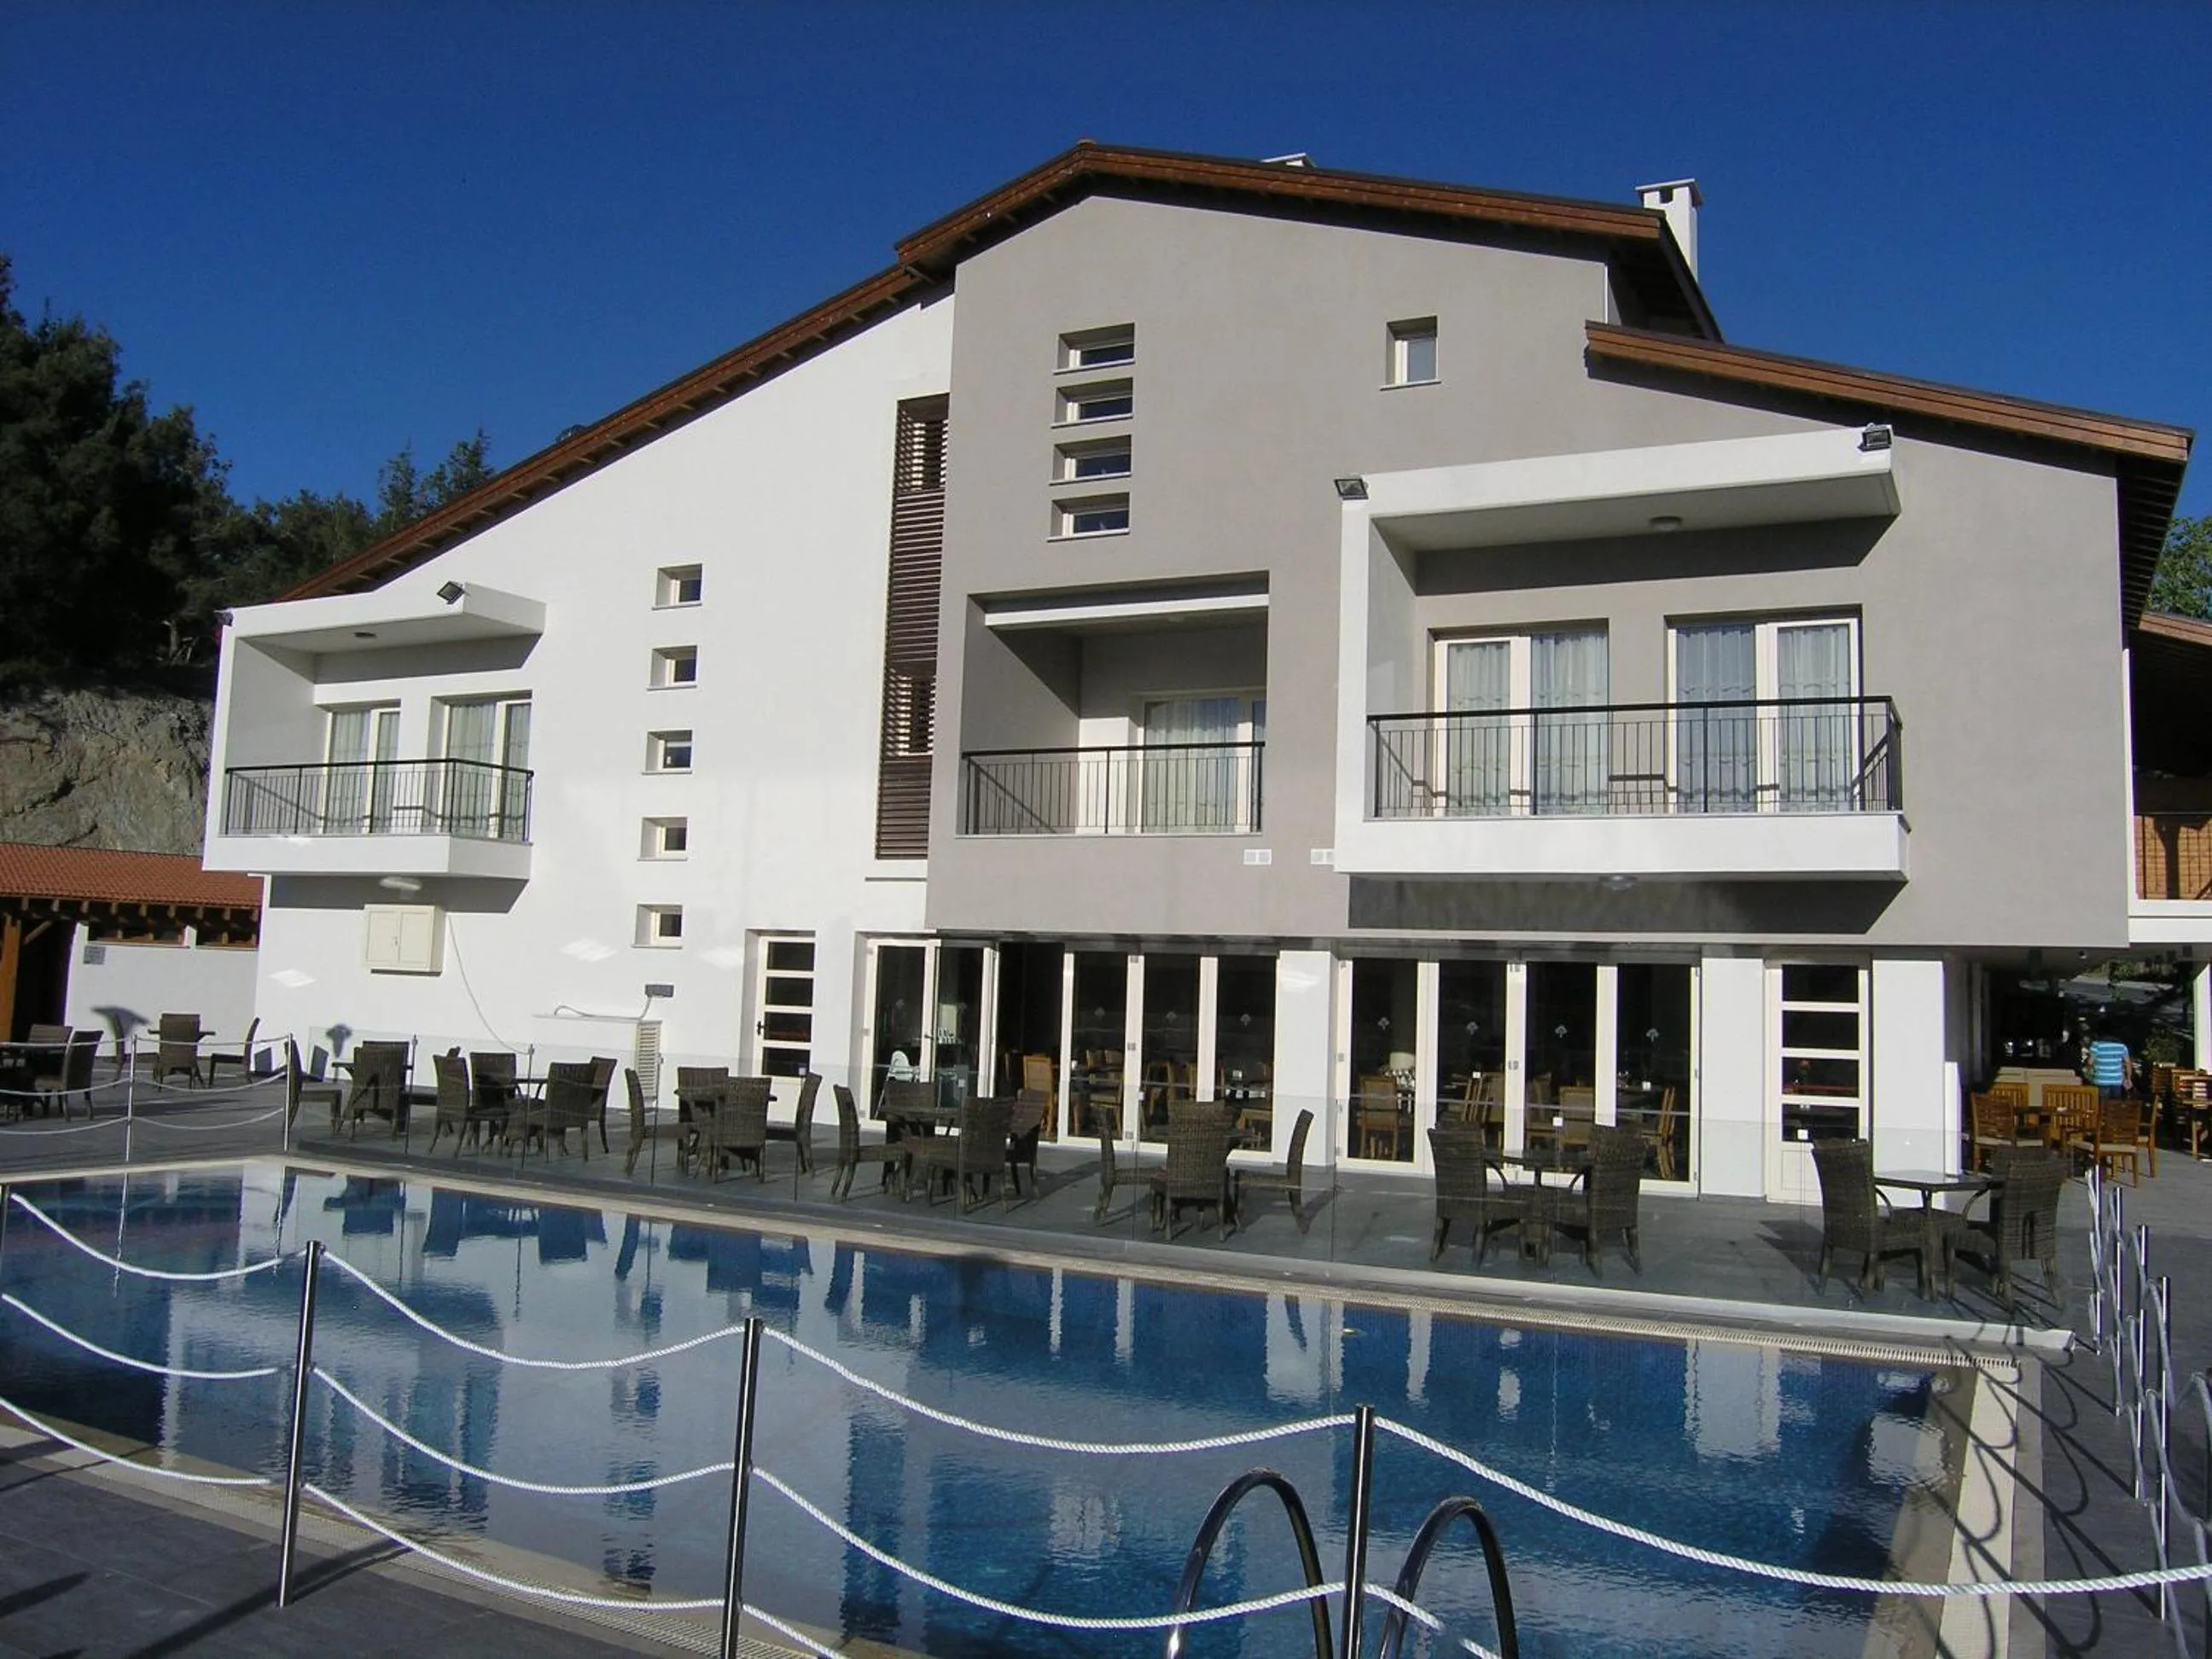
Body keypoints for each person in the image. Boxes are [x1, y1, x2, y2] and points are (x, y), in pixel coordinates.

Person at [2085, 1030, 2132, 1101]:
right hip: (2117, 1081)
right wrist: (2128, 1079)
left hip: (2101, 1080)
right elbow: (2128, 1063)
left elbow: (2090, 1062)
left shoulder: (2096, 1045)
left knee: (2102, 1106)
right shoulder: (2122, 1046)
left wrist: (2089, 1073)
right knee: (2114, 1106)